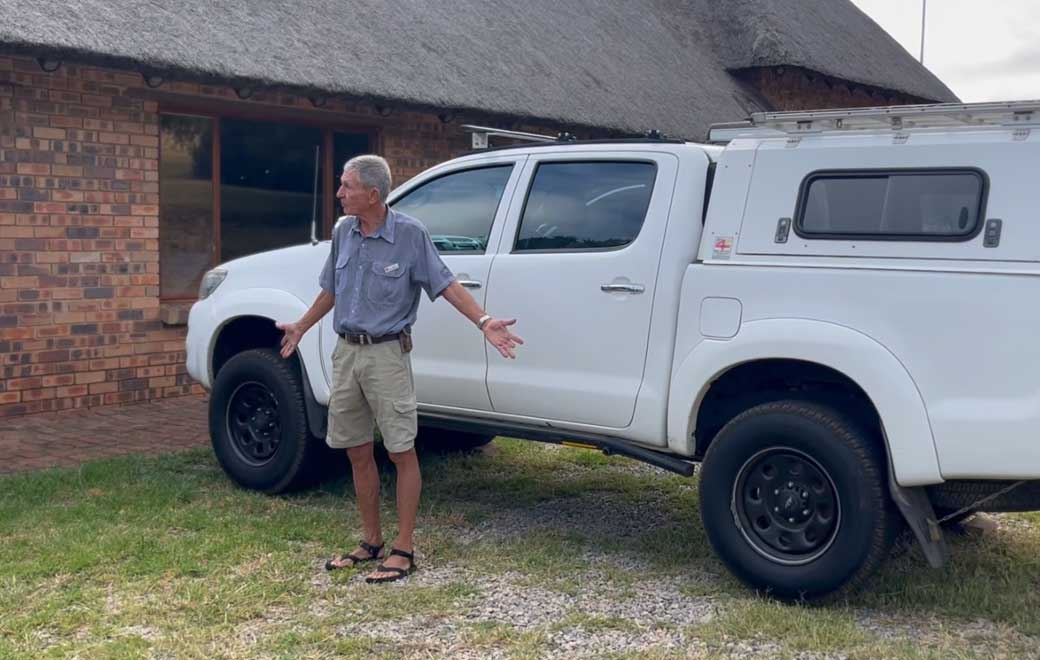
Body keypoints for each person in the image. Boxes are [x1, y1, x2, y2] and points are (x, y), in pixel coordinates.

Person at [276, 155, 522, 584]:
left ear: (373, 194)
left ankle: (404, 549)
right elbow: (331, 290)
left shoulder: (410, 234)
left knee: (400, 450)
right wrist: (301, 325)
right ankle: (371, 541)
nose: (339, 193)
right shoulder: (343, 232)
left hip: (387, 355)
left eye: (347, 186)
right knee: (356, 449)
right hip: (346, 353)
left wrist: (484, 321)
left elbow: (445, 284)